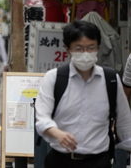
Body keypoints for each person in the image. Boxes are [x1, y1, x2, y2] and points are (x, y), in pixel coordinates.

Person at [35, 20, 131, 168]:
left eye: (91, 48)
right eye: (79, 49)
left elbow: (124, 122)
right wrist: (57, 133)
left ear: (98, 47)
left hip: (99, 161)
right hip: (61, 161)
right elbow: (42, 118)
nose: (85, 54)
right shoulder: (53, 78)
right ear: (68, 49)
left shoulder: (111, 80)